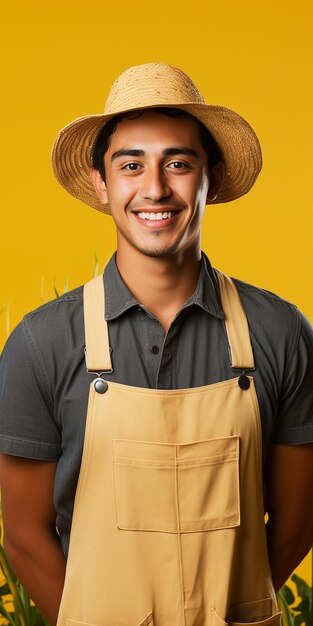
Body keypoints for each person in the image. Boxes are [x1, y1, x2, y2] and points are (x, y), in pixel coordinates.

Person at [0, 62, 312, 626]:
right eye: (131, 165)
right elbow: (23, 535)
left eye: (178, 163)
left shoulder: (282, 333)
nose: (155, 189)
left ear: (210, 179)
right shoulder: (41, 344)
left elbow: (298, 520)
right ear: (101, 184)